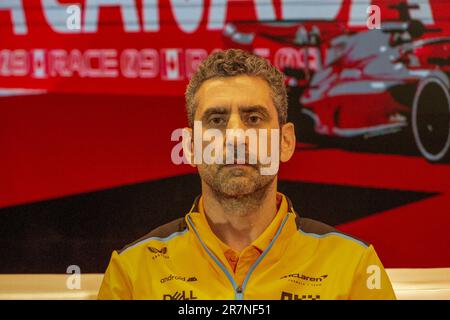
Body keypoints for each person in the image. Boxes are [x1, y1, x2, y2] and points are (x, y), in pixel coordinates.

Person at [98, 49, 396, 300]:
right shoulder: (132, 273)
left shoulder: (354, 266)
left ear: (285, 141)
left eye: (253, 118)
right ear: (189, 146)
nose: (235, 136)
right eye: (216, 119)